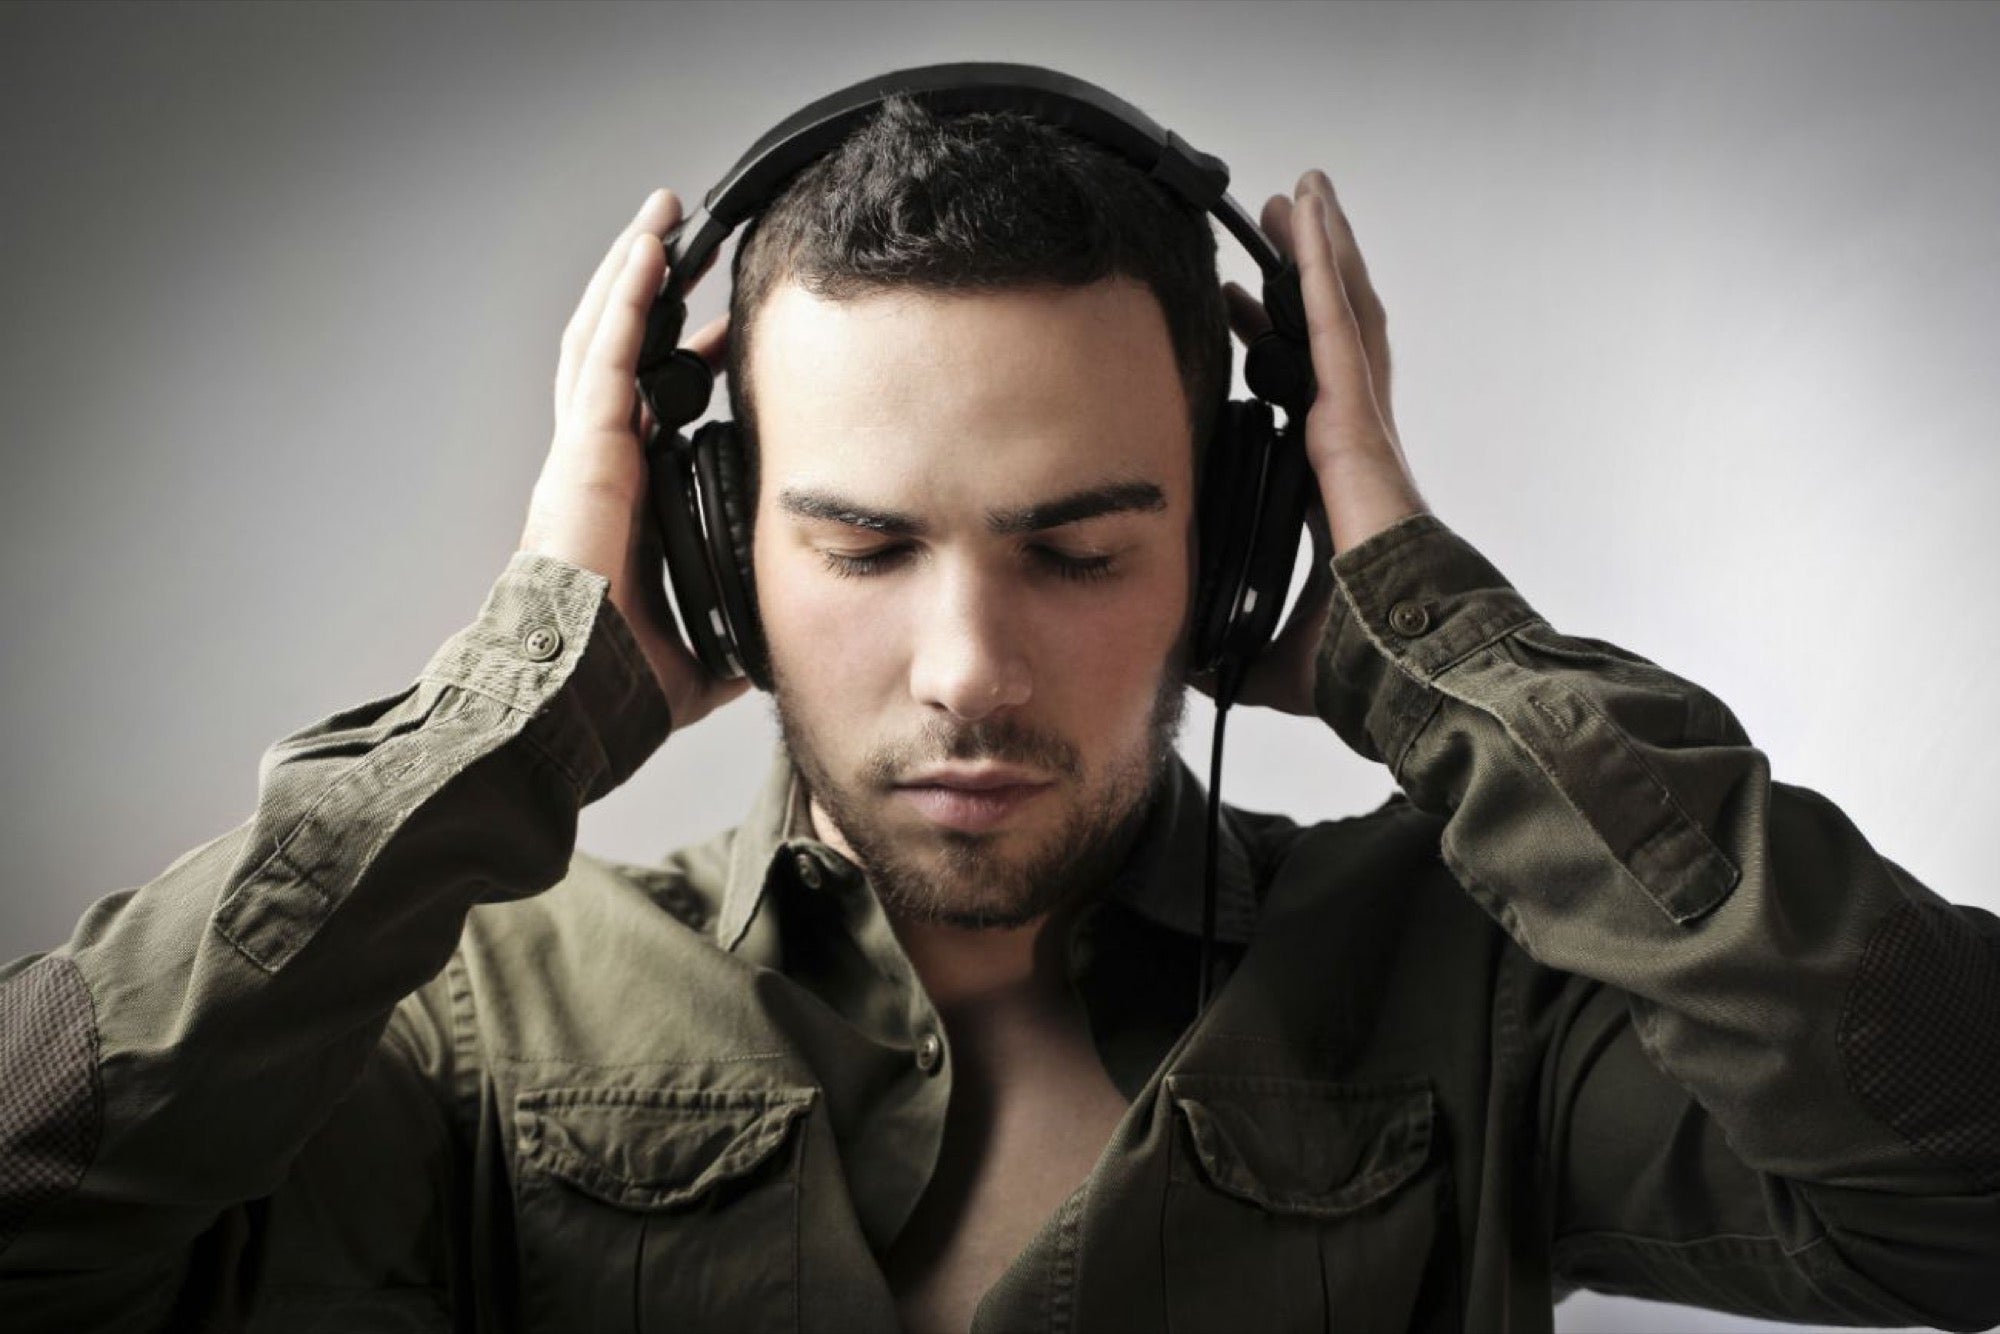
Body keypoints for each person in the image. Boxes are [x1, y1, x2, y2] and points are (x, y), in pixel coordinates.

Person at [2, 86, 1997, 1334]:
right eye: (862, 547)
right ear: (713, 558)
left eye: (1081, 545)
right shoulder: (467, 1017)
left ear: (1232, 555)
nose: (965, 664)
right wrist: (513, 706)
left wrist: (1428, 634)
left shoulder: (1475, 993)